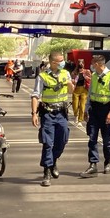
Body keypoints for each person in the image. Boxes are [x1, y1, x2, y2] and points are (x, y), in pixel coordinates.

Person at [31, 52, 74, 187]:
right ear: (53, 62)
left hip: (61, 113)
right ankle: (47, 171)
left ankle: (54, 161)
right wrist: (34, 113)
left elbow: (71, 91)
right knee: (48, 143)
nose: (63, 63)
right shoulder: (42, 76)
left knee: (62, 141)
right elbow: (35, 95)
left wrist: (70, 83)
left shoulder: (65, 73)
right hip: (48, 114)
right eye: (60, 61)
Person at [80, 54, 110, 177]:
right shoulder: (94, 76)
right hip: (94, 110)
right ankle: (93, 164)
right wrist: (86, 109)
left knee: (107, 140)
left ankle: (108, 162)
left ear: (97, 64)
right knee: (92, 138)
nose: (91, 65)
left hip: (106, 110)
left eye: (92, 63)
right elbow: (90, 93)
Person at [71, 59, 90, 127]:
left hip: (84, 90)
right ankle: (76, 115)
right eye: (79, 63)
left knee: (82, 106)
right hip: (76, 90)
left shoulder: (87, 71)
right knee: (75, 105)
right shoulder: (74, 72)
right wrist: (74, 78)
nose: (81, 65)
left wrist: (86, 77)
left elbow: (90, 79)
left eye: (82, 63)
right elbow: (72, 81)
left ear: (84, 64)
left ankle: (80, 120)